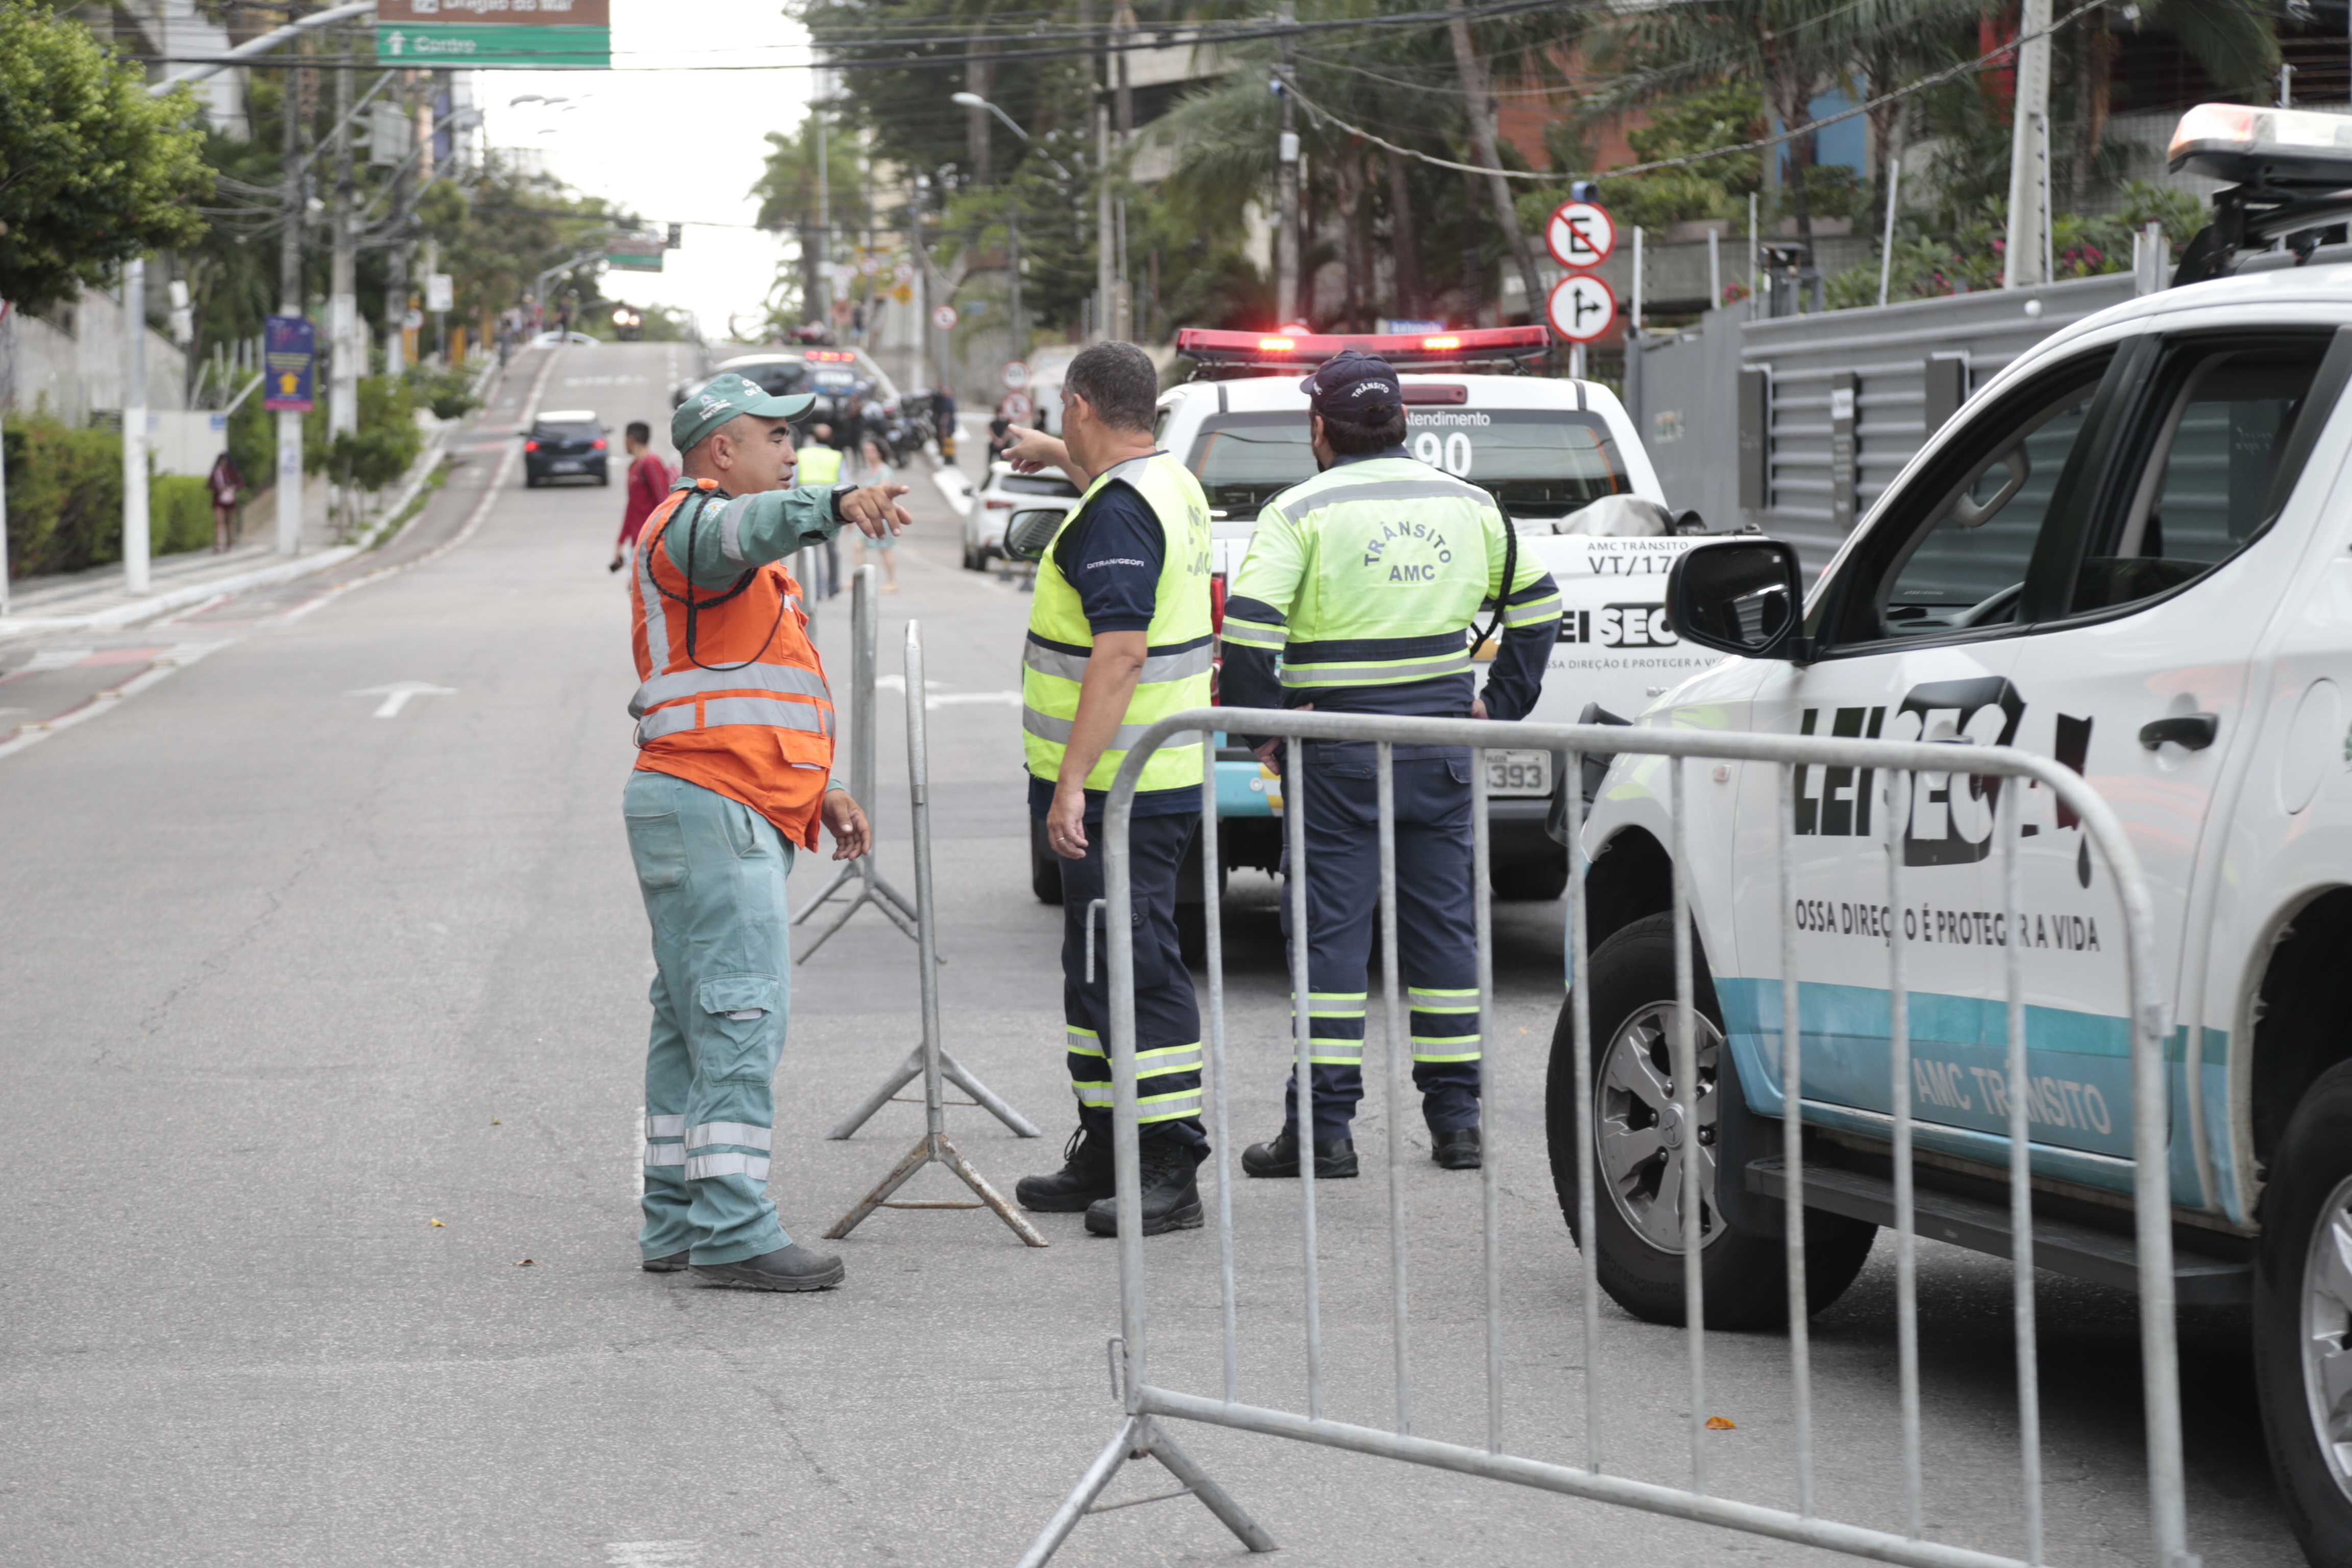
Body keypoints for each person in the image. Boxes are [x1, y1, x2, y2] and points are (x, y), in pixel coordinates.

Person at [1219, 350, 1562, 1179]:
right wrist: (1499, 705)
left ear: (1318, 428)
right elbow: (1540, 608)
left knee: (1332, 941)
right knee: (1443, 934)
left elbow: (1248, 634)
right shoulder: (1470, 504)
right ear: (1403, 421)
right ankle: (1457, 1124)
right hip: (1440, 747)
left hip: (1336, 754)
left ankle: (1324, 1132)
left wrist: (1267, 730)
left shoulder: (1297, 512)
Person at [624, 372, 913, 1291]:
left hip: (720, 797)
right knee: (740, 1014)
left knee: (692, 1025)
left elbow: (749, 696)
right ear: (720, 450)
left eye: (796, 440)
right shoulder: (692, 525)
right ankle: (734, 1228)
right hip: (712, 804)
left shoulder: (747, 568)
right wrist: (831, 501)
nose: (791, 450)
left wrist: (819, 787)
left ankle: (675, 1218)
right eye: (773, 437)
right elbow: (744, 528)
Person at [998, 341, 1216, 1237]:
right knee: (1095, 965)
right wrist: (1053, 454)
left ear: (1081, 404)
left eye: (1062, 413)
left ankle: (1169, 1157)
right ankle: (1106, 1139)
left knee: (1134, 965)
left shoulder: (1119, 515)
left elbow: (1120, 653)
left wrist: (1072, 786)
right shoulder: (1167, 480)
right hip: (1142, 778)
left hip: (1122, 784)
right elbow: (1108, 470)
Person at [608, 422, 675, 574]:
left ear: (631, 439)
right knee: (634, 590)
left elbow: (664, 501)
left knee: (638, 591)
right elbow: (632, 507)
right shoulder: (634, 466)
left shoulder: (651, 463)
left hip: (651, 542)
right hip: (637, 541)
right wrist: (620, 542)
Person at [796, 423, 846, 599]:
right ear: (830, 439)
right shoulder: (837, 456)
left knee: (814, 548)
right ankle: (833, 586)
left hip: (808, 504)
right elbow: (844, 483)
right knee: (832, 548)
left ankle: (816, 589)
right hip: (831, 505)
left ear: (813, 437)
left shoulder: (802, 454)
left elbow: (793, 481)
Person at [206, 449, 245, 554]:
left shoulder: (232, 472)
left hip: (230, 500)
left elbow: (241, 482)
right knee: (219, 522)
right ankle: (218, 544)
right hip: (219, 500)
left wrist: (233, 487)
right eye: (222, 461)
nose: (224, 463)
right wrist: (218, 488)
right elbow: (209, 485)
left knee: (229, 523)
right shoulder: (216, 472)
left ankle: (230, 543)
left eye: (226, 461)